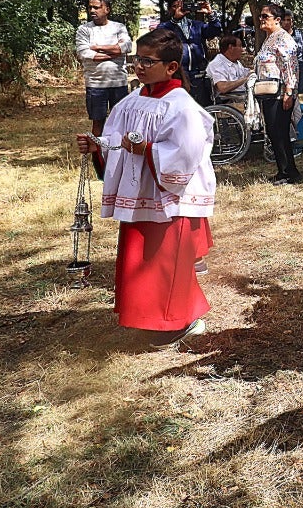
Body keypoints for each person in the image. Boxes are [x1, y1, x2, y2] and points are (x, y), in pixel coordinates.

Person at [75, 28, 215, 346]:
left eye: (147, 61)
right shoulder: (132, 100)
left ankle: (183, 320)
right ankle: (155, 315)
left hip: (168, 197)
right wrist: (97, 146)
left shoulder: (181, 106)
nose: (139, 66)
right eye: (137, 59)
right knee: (144, 259)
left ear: (170, 67)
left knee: (167, 260)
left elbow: (187, 151)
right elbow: (115, 138)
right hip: (141, 195)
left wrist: (148, 150)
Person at [253, 4, 301, 183]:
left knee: (280, 132)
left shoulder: (283, 39)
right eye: (260, 16)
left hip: (280, 93)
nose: (261, 19)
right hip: (268, 92)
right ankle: (284, 170)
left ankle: (290, 172)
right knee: (274, 132)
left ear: (277, 20)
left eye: (265, 16)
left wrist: (289, 92)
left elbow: (290, 67)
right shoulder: (270, 38)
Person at [75, 0, 134, 135]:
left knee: (120, 123)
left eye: (96, 7)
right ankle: (97, 156)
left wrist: (97, 47)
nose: (92, 11)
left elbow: (126, 46)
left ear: (107, 9)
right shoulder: (84, 30)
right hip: (96, 85)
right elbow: (84, 53)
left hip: (118, 83)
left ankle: (117, 155)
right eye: (90, 8)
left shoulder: (119, 27)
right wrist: (114, 52)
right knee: (98, 123)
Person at [158, 0, 224, 107]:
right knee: (182, 108)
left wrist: (210, 14)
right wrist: (175, 20)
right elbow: (160, 37)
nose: (179, 8)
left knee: (203, 108)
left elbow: (215, 30)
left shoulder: (196, 25)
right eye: (175, 6)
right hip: (179, 74)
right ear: (170, 10)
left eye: (181, 5)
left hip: (198, 74)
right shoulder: (166, 26)